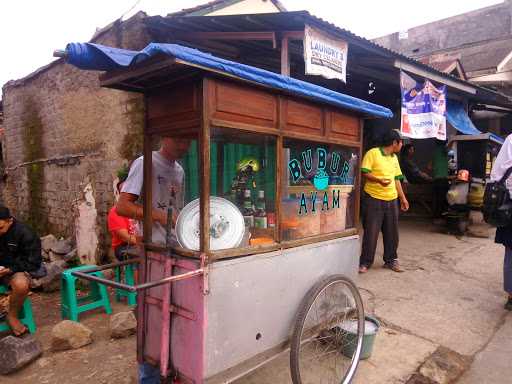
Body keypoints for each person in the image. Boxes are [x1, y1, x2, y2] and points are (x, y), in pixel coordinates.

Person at [116, 136, 191, 384]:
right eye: (180, 140)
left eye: (188, 141)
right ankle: (148, 378)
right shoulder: (145, 163)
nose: (184, 146)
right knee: (151, 318)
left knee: (175, 314)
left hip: (175, 249)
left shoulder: (179, 170)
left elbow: (176, 210)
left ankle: (171, 370)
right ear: (165, 137)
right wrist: (160, 217)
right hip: (152, 251)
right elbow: (123, 207)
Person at [359, 130, 409, 273]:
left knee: (392, 233)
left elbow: (397, 179)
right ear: (394, 143)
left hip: (391, 200)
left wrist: (402, 198)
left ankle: (391, 260)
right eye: (401, 142)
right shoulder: (372, 153)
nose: (402, 145)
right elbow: (364, 172)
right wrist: (378, 180)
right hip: (373, 199)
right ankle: (365, 262)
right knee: (371, 232)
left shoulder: (394, 158)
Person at [0, 206, 42, 336]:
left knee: (21, 285)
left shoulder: (25, 233)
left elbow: (33, 262)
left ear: (10, 221)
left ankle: (12, 316)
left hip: (13, 269)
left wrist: (9, 269)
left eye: (0, 228)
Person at [491, 134, 512, 311]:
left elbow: (496, 174)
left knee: (511, 251)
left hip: (510, 205)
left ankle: (511, 295)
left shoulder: (511, 140)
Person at [108, 179, 138, 262]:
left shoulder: (139, 209)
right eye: (124, 191)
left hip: (139, 242)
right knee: (142, 257)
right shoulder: (115, 211)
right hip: (123, 246)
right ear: (119, 194)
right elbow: (125, 237)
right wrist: (144, 244)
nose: (128, 193)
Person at [432, 140, 450, 219]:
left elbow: (429, 166)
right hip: (443, 180)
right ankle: (440, 217)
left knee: (438, 200)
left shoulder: (435, 151)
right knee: (444, 199)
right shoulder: (444, 149)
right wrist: (453, 139)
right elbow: (449, 148)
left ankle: (437, 216)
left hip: (436, 179)